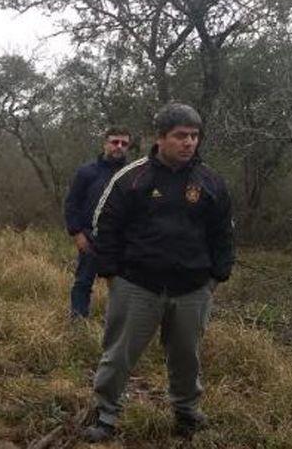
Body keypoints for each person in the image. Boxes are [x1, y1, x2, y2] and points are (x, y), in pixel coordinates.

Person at [83, 103, 235, 442]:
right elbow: (104, 227)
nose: (189, 143)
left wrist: (216, 277)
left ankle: (186, 411)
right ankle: (105, 414)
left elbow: (223, 233)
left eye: (194, 136)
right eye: (181, 136)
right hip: (137, 286)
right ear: (160, 138)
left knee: (187, 356)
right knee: (118, 354)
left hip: (193, 288)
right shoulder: (132, 178)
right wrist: (112, 276)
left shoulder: (210, 182)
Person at [63, 127, 131, 318]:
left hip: (121, 242)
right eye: (115, 142)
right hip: (90, 238)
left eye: (124, 144)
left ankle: (114, 326)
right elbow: (71, 204)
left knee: (121, 287)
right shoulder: (87, 172)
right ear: (105, 143)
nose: (119, 147)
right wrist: (77, 234)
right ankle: (78, 323)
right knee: (83, 282)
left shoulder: (132, 174)